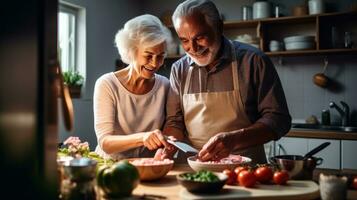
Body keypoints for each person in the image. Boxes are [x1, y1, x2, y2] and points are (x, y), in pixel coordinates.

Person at [163, 0, 291, 164]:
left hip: (245, 170)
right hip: (193, 167)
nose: (193, 48)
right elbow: (174, 122)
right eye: (185, 40)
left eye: (200, 37)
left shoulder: (253, 61)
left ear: (219, 27)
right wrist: (168, 144)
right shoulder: (178, 69)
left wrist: (235, 139)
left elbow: (279, 120)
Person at [93, 14, 173, 160]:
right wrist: (143, 138)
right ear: (131, 51)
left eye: (160, 56)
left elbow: (169, 129)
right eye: (148, 55)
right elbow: (105, 142)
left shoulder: (165, 86)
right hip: (111, 167)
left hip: (147, 166)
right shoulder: (107, 84)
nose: (155, 63)